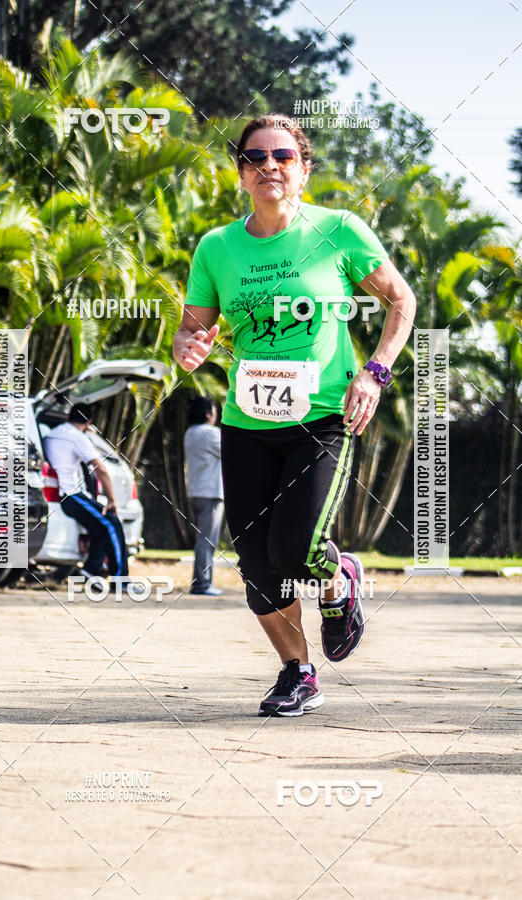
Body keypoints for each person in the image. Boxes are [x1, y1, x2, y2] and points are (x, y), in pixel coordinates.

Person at [173, 113, 416, 717]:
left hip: (324, 415)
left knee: (298, 547)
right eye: (254, 158)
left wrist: (376, 371)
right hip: (247, 421)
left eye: (283, 156)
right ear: (241, 174)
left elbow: (399, 300)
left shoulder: (339, 231)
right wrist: (188, 345)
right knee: (256, 563)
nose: (268, 167)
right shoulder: (217, 248)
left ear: (304, 170)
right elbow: (192, 329)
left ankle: (339, 581)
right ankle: (297, 671)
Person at [44, 403, 128, 580]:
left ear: (69, 417)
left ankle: (92, 569)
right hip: (71, 496)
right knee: (111, 522)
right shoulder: (77, 437)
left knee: (100, 526)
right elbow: (101, 469)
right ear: (89, 422)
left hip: (60, 495)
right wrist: (112, 500)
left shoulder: (52, 434)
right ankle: (121, 579)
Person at [184, 395, 224, 596]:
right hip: (211, 493)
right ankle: (202, 583)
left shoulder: (190, 433)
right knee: (207, 540)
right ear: (209, 414)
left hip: (195, 491)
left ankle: (202, 581)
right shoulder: (211, 434)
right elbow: (232, 452)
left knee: (202, 539)